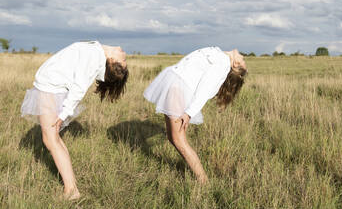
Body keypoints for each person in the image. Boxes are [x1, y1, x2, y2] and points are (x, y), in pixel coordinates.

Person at [21, 41, 128, 200]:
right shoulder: (97, 50)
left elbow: (79, 88)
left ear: (112, 61)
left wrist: (63, 115)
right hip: (50, 86)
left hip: (50, 88)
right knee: (53, 139)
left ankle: (71, 190)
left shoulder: (95, 57)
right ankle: (71, 185)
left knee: (50, 139)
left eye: (124, 62)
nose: (126, 56)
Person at [144, 47, 247, 183]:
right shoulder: (220, 56)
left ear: (235, 64)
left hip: (178, 88)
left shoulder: (223, 63)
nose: (243, 57)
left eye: (243, 60)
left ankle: (203, 181)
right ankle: (202, 180)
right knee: (173, 137)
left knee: (178, 140)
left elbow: (205, 89)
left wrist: (189, 113)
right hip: (175, 85)